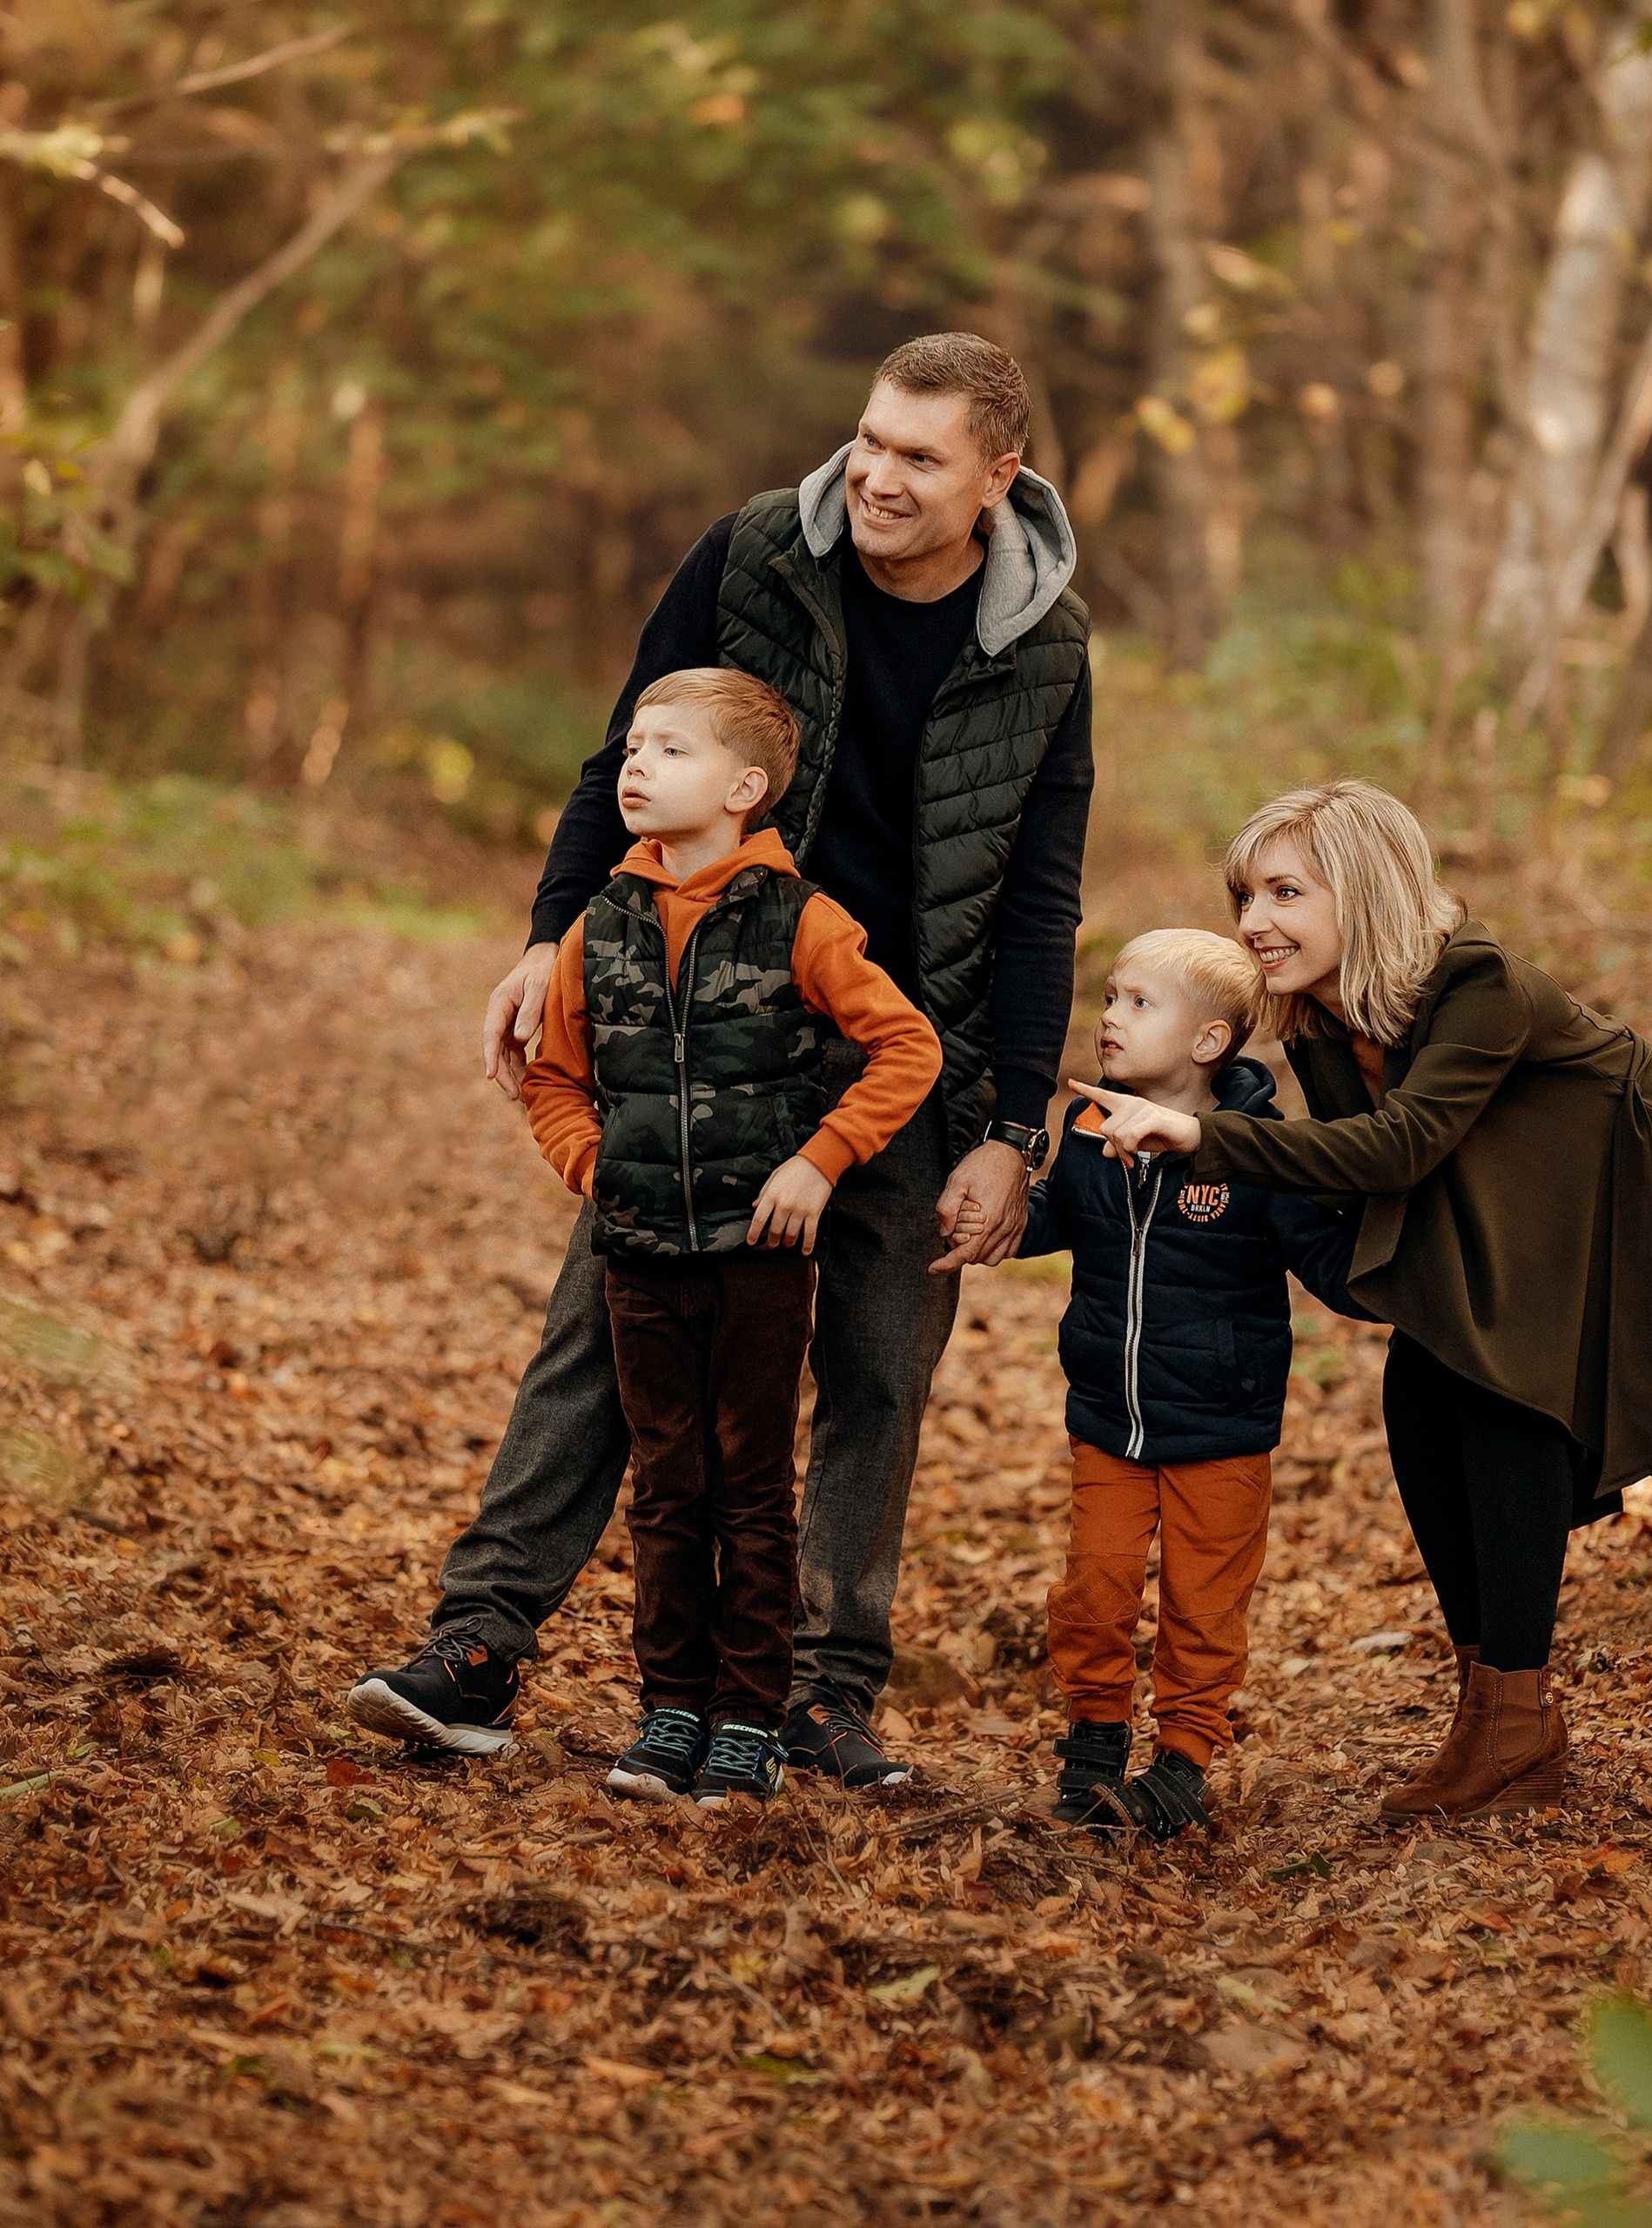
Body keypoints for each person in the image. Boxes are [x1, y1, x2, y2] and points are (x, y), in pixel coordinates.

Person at [348, 332, 1093, 1788]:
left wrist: (1012, 1122)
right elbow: (616, 755)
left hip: (900, 1045)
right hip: (696, 1022)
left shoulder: (1048, 646)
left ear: (996, 479)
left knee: (878, 1365)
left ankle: (816, 1694)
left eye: (919, 456)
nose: (875, 474)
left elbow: (1041, 892)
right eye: (870, 438)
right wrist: (554, 938)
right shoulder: (754, 554)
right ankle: (480, 1646)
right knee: (608, 1338)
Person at [1071, 780, 1652, 1822]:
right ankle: (1496, 1711)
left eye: (1285, 891)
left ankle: (1515, 1719)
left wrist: (1203, 1137)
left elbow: (1401, 1146)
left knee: (1500, 1388)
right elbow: (1363, 1181)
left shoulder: (1478, 983)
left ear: (1364, 888)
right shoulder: (1322, 1021)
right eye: (1245, 894)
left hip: (1643, 1173)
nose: (1253, 921)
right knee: (1420, 1392)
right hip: (1515, 1195)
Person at [512, 668, 937, 1805]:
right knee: (665, 1485)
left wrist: (818, 1161)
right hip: (639, 1254)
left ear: (744, 787)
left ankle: (748, 1720)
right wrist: (599, 1170)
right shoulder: (598, 924)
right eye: (632, 750)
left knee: (749, 1486)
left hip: (759, 1254)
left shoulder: (803, 921)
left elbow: (906, 1050)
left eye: (668, 751)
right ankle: (669, 1714)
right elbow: (552, 1078)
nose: (635, 768)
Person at [1018, 929, 1361, 1842]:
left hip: (1223, 1425)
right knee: (1092, 1588)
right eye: (1110, 999)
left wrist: (1407, 1269)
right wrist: (999, 1216)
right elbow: (1056, 1214)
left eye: (1139, 1002)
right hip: (1109, 1417)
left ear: (1209, 1042)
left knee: (1202, 1606)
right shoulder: (1088, 1128)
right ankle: (1093, 1739)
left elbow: (1328, 1260)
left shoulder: (1256, 1151)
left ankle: (1182, 1762)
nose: (1110, 1018)